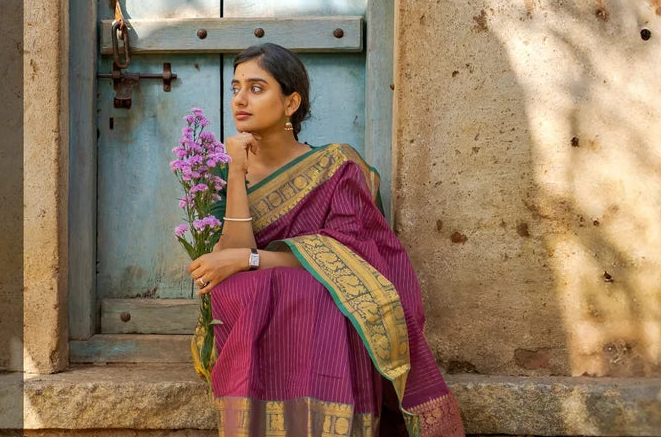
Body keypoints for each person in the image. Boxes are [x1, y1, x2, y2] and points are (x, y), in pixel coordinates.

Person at [187, 43, 465, 436]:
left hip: (319, 300)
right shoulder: (225, 173)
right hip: (254, 304)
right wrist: (236, 174)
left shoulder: (337, 167)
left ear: (290, 102)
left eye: (256, 87)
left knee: (313, 288)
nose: (240, 100)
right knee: (249, 286)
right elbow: (229, 260)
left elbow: (353, 256)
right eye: (235, 88)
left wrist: (251, 261)